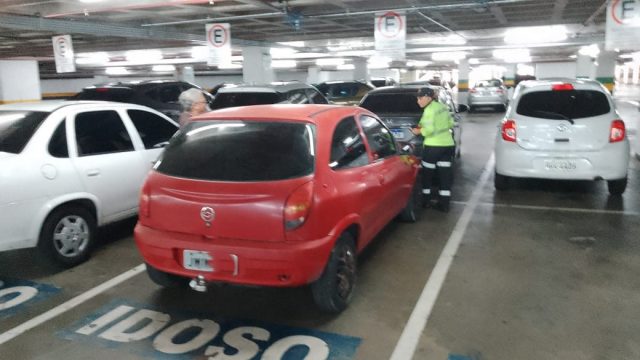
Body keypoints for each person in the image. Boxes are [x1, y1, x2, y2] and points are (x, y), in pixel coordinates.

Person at [411, 87, 455, 212]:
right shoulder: (442, 107)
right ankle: (444, 204)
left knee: (427, 175)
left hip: (433, 147)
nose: (418, 101)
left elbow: (428, 131)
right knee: (444, 175)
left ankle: (425, 202)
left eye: (420, 98)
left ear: (428, 98)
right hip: (447, 145)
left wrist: (417, 131)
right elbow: (451, 123)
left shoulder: (429, 110)